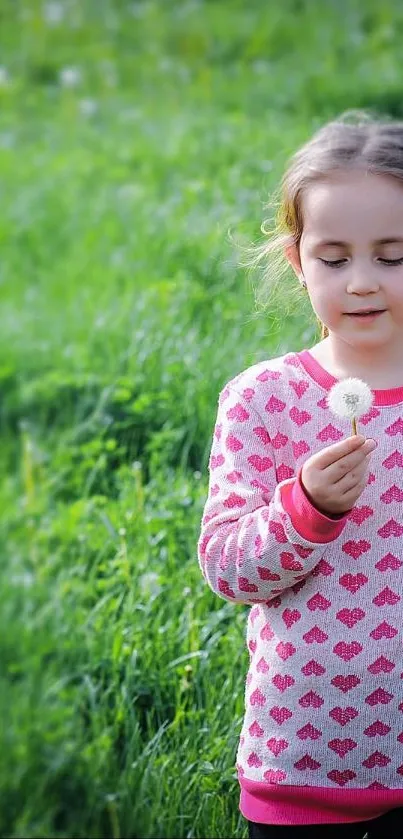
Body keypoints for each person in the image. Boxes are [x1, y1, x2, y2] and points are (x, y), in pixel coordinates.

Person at [197, 112, 403, 838]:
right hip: (304, 760)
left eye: (391, 255)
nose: (361, 282)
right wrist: (306, 508)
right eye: (334, 257)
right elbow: (228, 568)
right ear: (296, 261)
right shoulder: (264, 399)